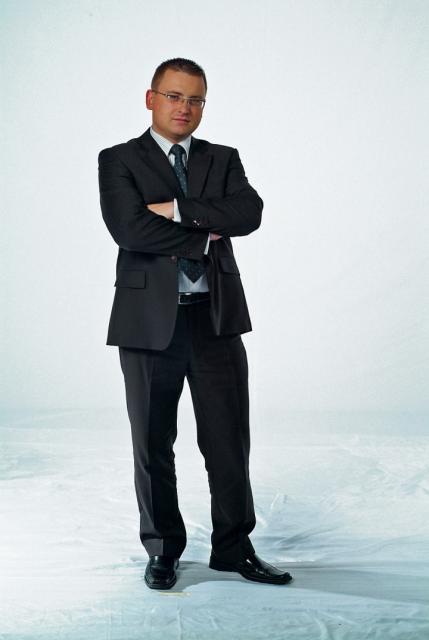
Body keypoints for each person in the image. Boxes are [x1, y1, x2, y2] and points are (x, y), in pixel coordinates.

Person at [98, 57, 293, 589]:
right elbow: (129, 229)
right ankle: (163, 550)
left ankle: (233, 548)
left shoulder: (221, 158)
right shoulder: (118, 160)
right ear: (151, 99)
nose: (184, 108)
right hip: (147, 325)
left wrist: (175, 209)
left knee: (229, 441)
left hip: (215, 319)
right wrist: (205, 231)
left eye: (195, 99)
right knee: (152, 443)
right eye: (174, 96)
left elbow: (248, 213)